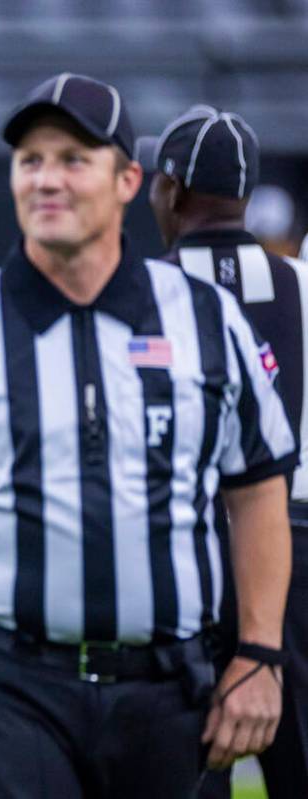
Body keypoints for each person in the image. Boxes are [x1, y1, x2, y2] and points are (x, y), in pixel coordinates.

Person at [0, 73, 296, 799]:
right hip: (7, 684)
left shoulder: (203, 317)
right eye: (31, 159)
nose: (48, 178)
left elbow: (258, 486)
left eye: (74, 158)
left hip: (164, 690)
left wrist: (261, 651)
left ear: (130, 179)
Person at [141, 104, 308, 799]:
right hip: (300, 562)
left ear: (170, 189)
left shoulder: (136, 294)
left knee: (184, 778)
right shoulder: (300, 285)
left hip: (187, 557)